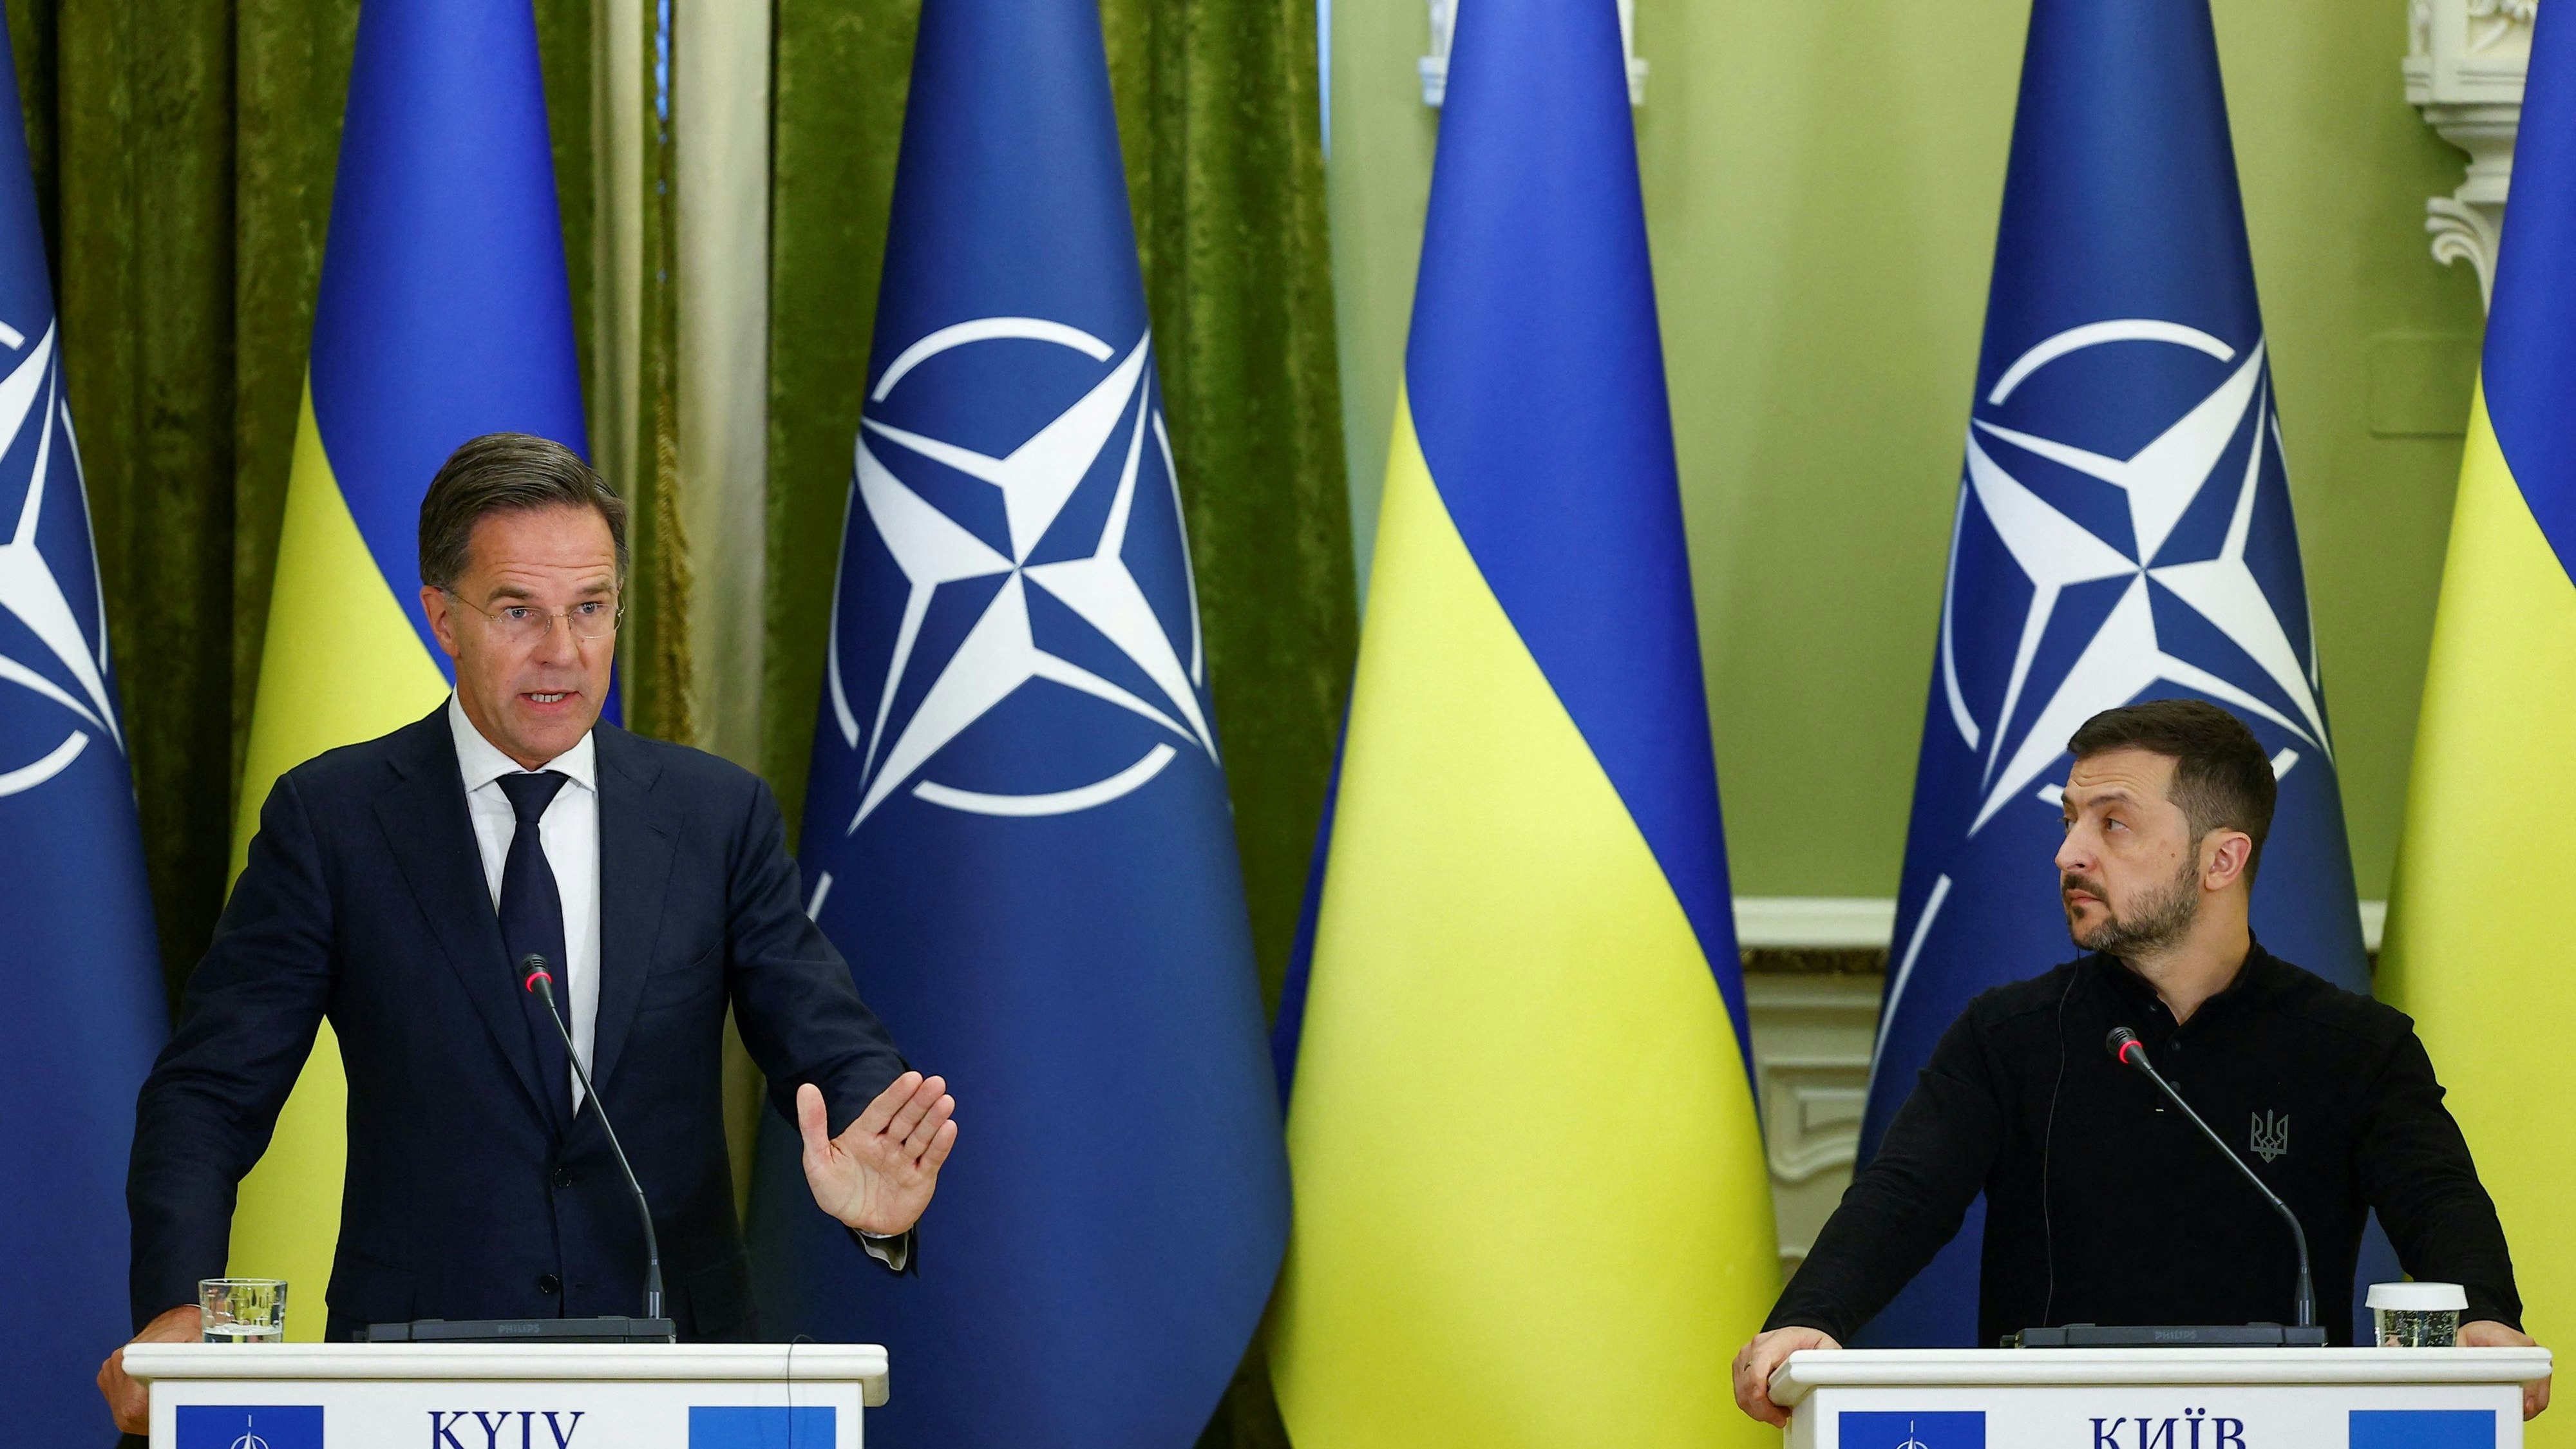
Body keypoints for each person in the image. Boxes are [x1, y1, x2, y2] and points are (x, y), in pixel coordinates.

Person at [99, 434, 956, 1434]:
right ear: (443, 619)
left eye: (591, 608)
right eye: (519, 611)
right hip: (409, 1383)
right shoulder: (334, 821)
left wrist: (871, 1158)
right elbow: (208, 1094)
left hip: (674, 1375)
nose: (564, 651)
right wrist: (173, 1306)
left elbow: (824, 1035)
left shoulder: (713, 816)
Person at [1731, 698, 2549, 1426]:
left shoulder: (2354, 1048)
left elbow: (2437, 1202)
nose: (2069, 854)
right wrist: (1814, 1316)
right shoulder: (2008, 1034)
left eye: (2111, 823)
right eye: (2068, 821)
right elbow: (1901, 1197)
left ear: (2220, 860)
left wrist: (2484, 1316)